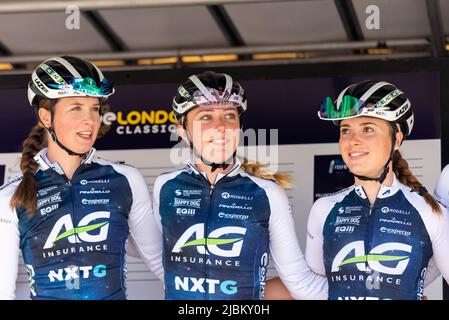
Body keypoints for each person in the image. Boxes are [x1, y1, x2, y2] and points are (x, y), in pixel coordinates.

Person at [152, 71, 327, 300]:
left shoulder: (267, 194)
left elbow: (298, 281)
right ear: (183, 131)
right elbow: (154, 257)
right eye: (206, 117)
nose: (221, 127)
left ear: (240, 127)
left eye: (229, 116)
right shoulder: (166, 186)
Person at [0, 56, 162, 300]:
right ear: (46, 117)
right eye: (76, 108)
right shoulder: (11, 195)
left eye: (94, 109)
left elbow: (161, 261)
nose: (90, 120)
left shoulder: (125, 179)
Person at [304, 80, 449, 300]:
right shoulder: (323, 209)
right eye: (346, 130)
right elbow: (314, 288)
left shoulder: (429, 211)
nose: (353, 141)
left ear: (396, 139)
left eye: (368, 129)